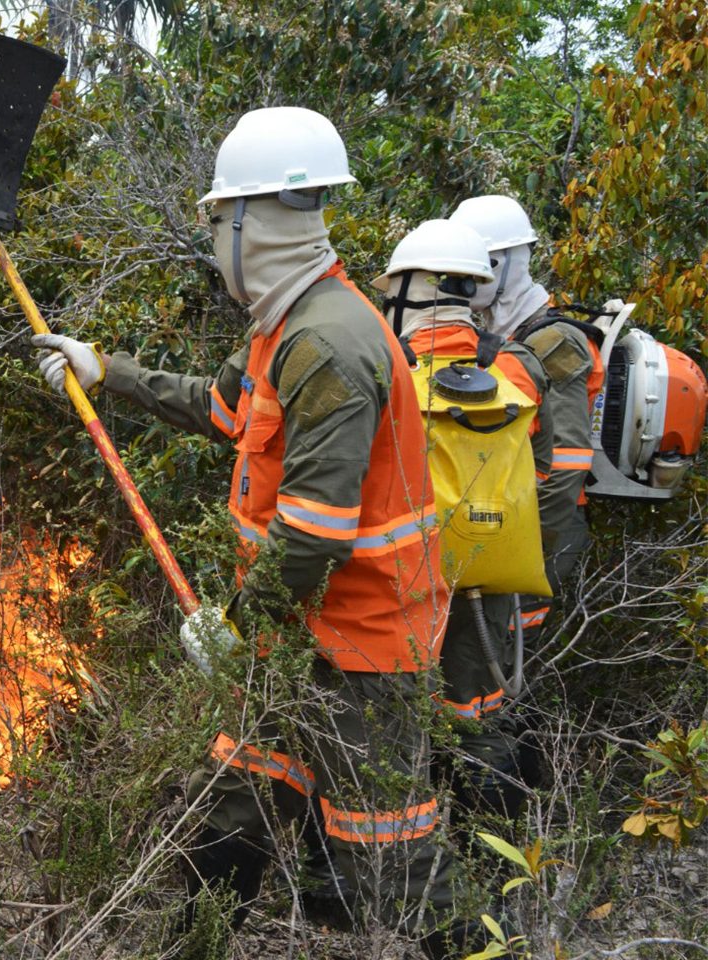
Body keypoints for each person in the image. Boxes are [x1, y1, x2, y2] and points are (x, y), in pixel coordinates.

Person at [34, 106, 460, 954]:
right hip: (294, 636)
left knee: (392, 857)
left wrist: (231, 629)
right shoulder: (283, 329)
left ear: (251, 221)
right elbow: (220, 407)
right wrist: (104, 369)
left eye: (217, 220)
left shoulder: (330, 343)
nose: (212, 239)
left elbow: (310, 536)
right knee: (236, 807)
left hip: (362, 650)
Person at [374, 219, 554, 818]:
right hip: (491, 581)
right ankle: (497, 867)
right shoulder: (518, 367)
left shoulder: (386, 371)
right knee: (477, 722)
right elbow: (546, 464)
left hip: (403, 586)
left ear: (403, 293)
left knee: (390, 728)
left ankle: (403, 862)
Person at [448, 196, 596, 638]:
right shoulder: (498, 337)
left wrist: (523, 553)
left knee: (507, 651)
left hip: (545, 529)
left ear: (510, 263)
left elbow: (566, 467)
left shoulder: (554, 342)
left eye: (481, 265)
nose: (469, 279)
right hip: (505, 519)